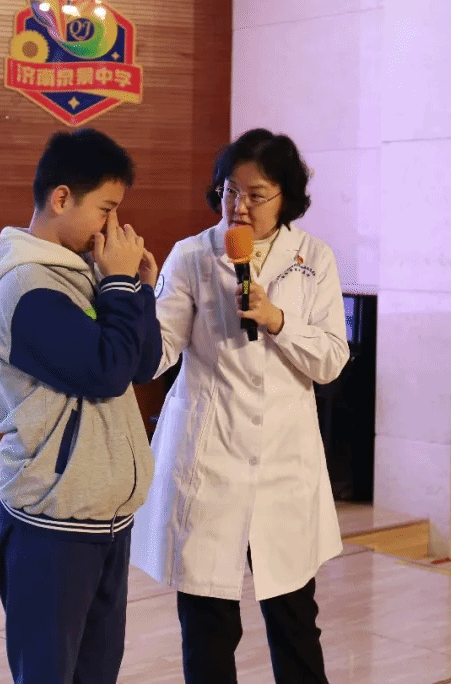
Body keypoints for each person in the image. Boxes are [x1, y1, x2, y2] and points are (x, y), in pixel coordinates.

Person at [130, 128, 349, 683]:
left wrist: (277, 320)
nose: (240, 206)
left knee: (294, 619)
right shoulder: (192, 255)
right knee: (207, 625)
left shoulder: (314, 258)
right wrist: (136, 303)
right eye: (231, 191)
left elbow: (330, 359)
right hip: (211, 461)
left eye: (256, 194)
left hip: (284, 465)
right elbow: (156, 355)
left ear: (285, 197)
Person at [0, 128, 161, 684]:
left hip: (105, 517)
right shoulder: (27, 287)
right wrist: (117, 285)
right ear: (62, 198)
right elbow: (105, 372)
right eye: (105, 209)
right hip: (51, 523)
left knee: (96, 674)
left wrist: (139, 291)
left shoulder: (84, 274)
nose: (112, 227)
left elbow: (141, 365)